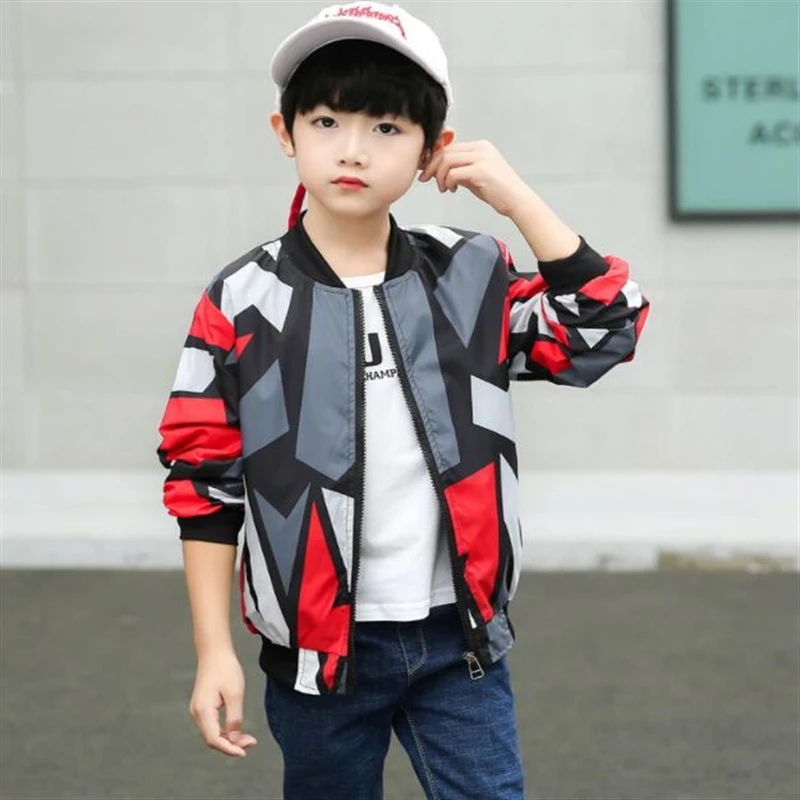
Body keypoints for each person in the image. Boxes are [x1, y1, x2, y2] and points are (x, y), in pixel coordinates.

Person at [156, 3, 650, 798]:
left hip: (460, 641)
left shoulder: (470, 275)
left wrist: (518, 199)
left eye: (386, 127)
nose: (352, 149)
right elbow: (203, 483)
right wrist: (214, 652)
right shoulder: (243, 301)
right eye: (326, 121)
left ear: (430, 150)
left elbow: (603, 330)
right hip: (318, 659)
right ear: (286, 132)